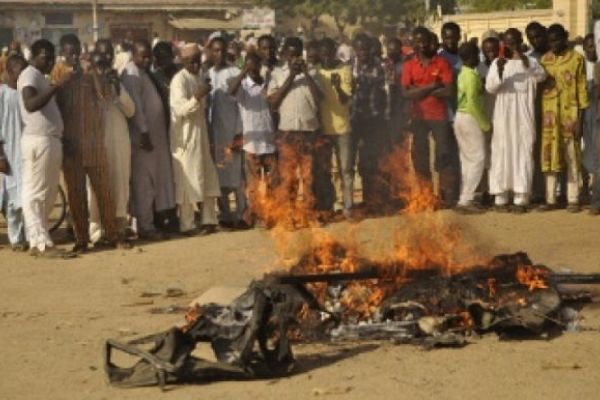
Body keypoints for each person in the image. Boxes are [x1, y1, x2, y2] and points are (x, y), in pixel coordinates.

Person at [54, 34, 126, 253]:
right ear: (62, 53)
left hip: (94, 145)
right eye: (69, 53)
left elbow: (105, 96)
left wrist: (92, 71)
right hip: (71, 147)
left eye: (76, 52)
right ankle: (82, 239)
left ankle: (112, 235)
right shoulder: (57, 75)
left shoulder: (90, 74)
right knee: (76, 197)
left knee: (104, 193)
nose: (73, 57)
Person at [18, 39, 73, 256]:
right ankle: (40, 243)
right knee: (36, 193)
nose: (50, 62)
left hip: (49, 140)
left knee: (48, 192)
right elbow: (30, 104)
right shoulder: (29, 75)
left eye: (52, 57)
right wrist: (56, 86)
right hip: (38, 140)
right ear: (32, 57)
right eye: (45, 57)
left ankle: (39, 240)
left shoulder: (40, 76)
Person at [485, 28, 546, 213]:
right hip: (503, 117)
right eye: (508, 43)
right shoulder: (497, 63)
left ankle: (521, 198)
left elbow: (541, 76)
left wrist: (526, 62)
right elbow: (490, 88)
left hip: (523, 116)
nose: (511, 46)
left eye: (514, 42)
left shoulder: (531, 62)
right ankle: (501, 197)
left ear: (521, 42)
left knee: (523, 153)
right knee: (501, 153)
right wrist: (500, 70)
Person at [121, 39, 176, 240]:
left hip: (154, 138)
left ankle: (147, 223)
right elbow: (136, 107)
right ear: (133, 55)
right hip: (144, 140)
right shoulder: (132, 74)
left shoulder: (142, 72)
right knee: (143, 183)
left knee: (151, 182)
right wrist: (144, 133)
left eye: (148, 57)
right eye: (142, 56)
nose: (146, 60)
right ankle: (145, 226)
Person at [267, 36, 322, 227]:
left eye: (297, 54)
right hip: (287, 132)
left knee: (309, 177)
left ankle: (308, 214)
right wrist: (291, 76)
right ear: (284, 55)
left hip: (308, 130)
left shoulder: (313, 72)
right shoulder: (277, 73)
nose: (294, 59)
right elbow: (273, 102)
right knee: (288, 177)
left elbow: (319, 99)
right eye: (290, 55)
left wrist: (305, 73)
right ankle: (289, 215)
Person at [401, 27, 457, 208]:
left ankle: (445, 197)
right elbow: (405, 93)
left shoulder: (442, 63)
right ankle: (426, 196)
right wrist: (432, 87)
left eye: (425, 40)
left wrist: (418, 91)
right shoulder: (409, 65)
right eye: (418, 41)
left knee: (443, 156)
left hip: (439, 116)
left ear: (430, 41)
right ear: (414, 44)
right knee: (420, 158)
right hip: (418, 117)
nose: (422, 45)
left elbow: (448, 91)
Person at [87, 39, 135, 244]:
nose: (105, 58)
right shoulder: (86, 82)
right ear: (93, 58)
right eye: (101, 55)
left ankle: (119, 228)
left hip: (119, 142)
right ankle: (96, 231)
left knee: (120, 184)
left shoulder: (117, 81)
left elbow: (131, 111)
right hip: (96, 144)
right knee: (95, 188)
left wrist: (116, 88)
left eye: (109, 54)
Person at [169, 44, 220, 234]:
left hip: (201, 136)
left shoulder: (199, 76)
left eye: (198, 61)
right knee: (187, 182)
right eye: (192, 62)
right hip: (185, 138)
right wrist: (197, 96)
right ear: (183, 62)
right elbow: (180, 109)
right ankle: (187, 224)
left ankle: (209, 220)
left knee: (208, 177)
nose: (196, 65)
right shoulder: (178, 80)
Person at [540, 24, 589, 213]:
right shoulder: (545, 60)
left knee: (572, 157)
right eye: (550, 41)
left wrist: (580, 122)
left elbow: (582, 90)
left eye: (557, 40)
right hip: (550, 117)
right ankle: (550, 199)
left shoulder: (577, 59)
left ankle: (573, 198)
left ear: (565, 37)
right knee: (549, 156)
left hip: (571, 116)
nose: (553, 44)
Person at [229, 52, 277, 225]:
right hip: (251, 145)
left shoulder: (268, 83)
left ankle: (271, 214)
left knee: (273, 182)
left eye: (255, 65)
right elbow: (230, 90)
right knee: (254, 184)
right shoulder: (243, 87)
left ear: (259, 65)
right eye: (249, 66)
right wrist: (243, 72)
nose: (253, 69)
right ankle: (257, 216)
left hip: (269, 141)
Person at [207, 36, 247, 228]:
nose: (219, 54)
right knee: (218, 174)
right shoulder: (207, 74)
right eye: (216, 50)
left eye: (222, 50)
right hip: (214, 134)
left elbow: (242, 106)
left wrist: (239, 133)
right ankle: (225, 214)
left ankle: (242, 213)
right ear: (210, 52)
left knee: (236, 175)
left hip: (232, 132)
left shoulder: (235, 73)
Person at [314, 37, 354, 218]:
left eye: (329, 53)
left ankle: (348, 207)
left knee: (345, 170)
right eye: (323, 53)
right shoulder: (315, 71)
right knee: (325, 170)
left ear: (334, 53)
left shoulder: (345, 69)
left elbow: (346, 101)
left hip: (342, 128)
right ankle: (328, 205)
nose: (326, 57)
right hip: (322, 128)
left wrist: (337, 87)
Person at [352, 34, 390, 212]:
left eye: (365, 49)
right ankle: (356, 201)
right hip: (354, 120)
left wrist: (386, 116)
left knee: (373, 161)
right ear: (355, 49)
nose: (363, 52)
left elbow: (387, 92)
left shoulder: (380, 66)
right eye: (359, 49)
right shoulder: (349, 66)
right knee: (354, 163)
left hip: (374, 120)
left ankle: (374, 199)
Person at [454, 42, 491, 213]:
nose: (479, 58)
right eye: (477, 55)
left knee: (467, 160)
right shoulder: (471, 77)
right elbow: (473, 103)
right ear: (471, 57)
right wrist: (485, 124)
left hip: (460, 117)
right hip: (470, 118)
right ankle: (467, 199)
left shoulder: (464, 73)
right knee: (478, 158)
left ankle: (465, 197)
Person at [0, 54, 28, 250]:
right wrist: (1, 156)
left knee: (22, 196)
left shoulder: (26, 93)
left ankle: (23, 237)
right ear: (9, 72)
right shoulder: (2, 95)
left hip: (24, 152)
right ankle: (16, 238)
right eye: (19, 70)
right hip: (7, 152)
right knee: (10, 197)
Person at [526, 22, 550, 205]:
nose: (535, 41)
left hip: (555, 108)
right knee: (535, 150)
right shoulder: (528, 59)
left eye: (538, 36)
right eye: (531, 38)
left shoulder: (556, 54)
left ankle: (558, 192)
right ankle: (537, 192)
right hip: (534, 108)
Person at [582, 34, 599, 209]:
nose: (592, 50)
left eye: (595, 46)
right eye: (589, 47)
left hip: (597, 115)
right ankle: (585, 189)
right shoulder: (581, 66)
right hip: (585, 116)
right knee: (585, 151)